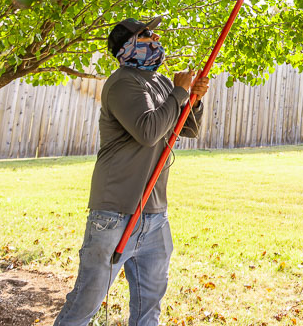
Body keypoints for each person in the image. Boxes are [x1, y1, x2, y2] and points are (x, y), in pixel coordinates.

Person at [53, 16, 209, 326]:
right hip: (115, 214)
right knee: (86, 302)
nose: (155, 38)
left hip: (154, 215)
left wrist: (195, 99)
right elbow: (149, 131)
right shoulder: (122, 82)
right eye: (147, 34)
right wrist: (179, 94)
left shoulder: (162, 82)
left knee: (149, 306)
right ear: (129, 46)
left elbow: (188, 129)